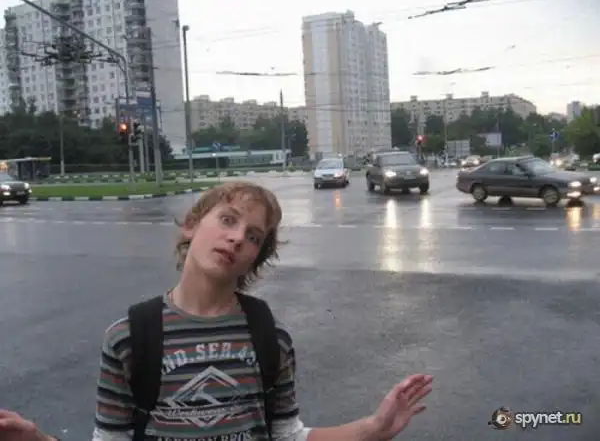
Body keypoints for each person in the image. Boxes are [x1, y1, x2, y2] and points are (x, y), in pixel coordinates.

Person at [0, 181, 433, 441]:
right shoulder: (130, 336)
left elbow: (289, 436)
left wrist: (374, 428)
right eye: (228, 220)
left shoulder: (270, 337)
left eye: (253, 236)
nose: (237, 238)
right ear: (192, 225)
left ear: (255, 258)